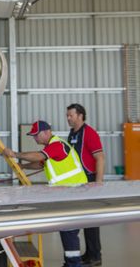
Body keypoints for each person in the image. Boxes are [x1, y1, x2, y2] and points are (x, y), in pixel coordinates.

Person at [2, 120, 88, 267]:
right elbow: (40, 163)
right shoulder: (51, 148)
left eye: (37, 135)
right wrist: (23, 166)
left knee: (69, 231)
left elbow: (39, 157)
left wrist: (15, 154)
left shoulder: (57, 145)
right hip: (68, 194)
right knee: (66, 230)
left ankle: (74, 264)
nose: (35, 138)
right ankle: (71, 262)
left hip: (74, 193)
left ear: (47, 132)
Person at [66, 103, 104, 267]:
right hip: (77, 182)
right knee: (84, 220)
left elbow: (100, 158)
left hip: (89, 180)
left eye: (71, 115)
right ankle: (89, 253)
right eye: (67, 115)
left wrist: (98, 182)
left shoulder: (89, 133)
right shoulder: (72, 134)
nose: (68, 118)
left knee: (91, 221)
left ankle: (95, 256)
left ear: (80, 116)